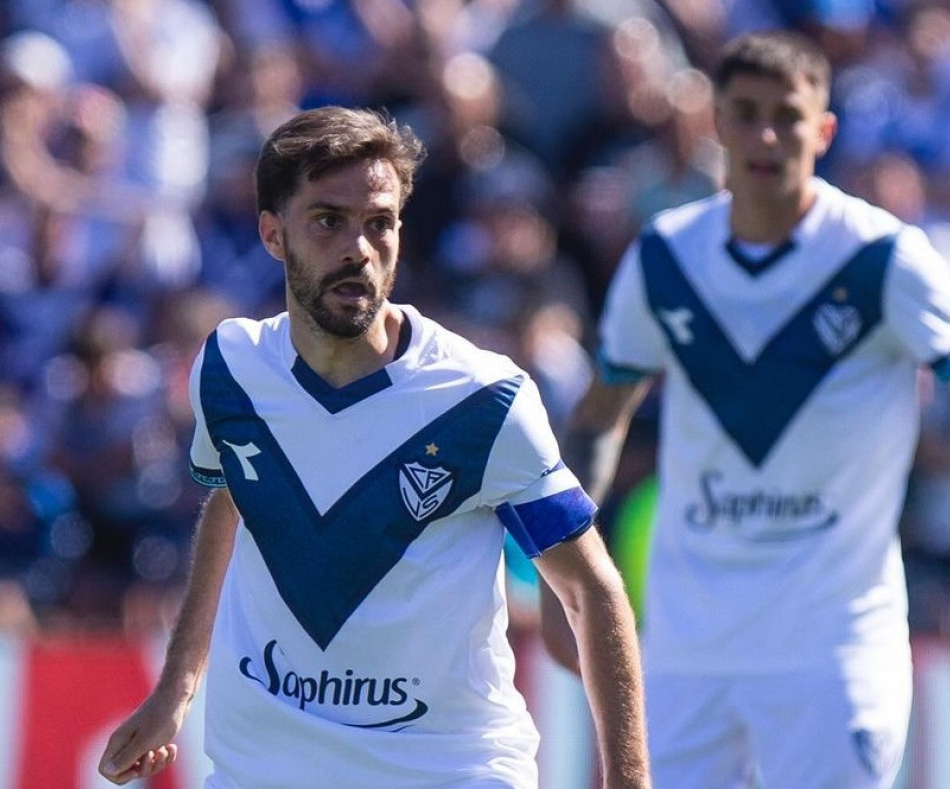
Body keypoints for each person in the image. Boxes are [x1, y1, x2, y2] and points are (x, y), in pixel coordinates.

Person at [97, 106, 650, 788]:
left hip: (445, 772)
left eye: (379, 222)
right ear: (274, 234)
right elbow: (234, 499)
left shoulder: (483, 397)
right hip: (265, 770)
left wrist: (629, 780)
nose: (359, 246)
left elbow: (592, 588)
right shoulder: (230, 368)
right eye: (329, 220)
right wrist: (175, 690)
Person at [540, 30, 950, 788]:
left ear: (823, 130)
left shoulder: (880, 258)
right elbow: (603, 413)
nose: (767, 135)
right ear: (717, 125)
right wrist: (564, 567)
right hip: (689, 645)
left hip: (831, 645)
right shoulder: (664, 257)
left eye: (788, 116)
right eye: (747, 114)